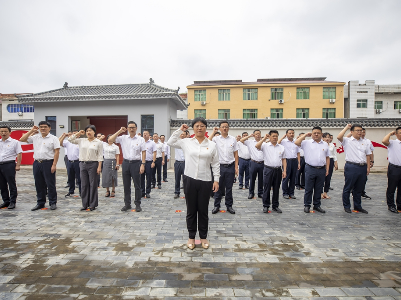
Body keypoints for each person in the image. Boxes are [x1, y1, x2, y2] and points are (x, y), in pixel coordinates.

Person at [167, 118, 219, 250]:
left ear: (206, 128)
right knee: (191, 210)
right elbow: (170, 142)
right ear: (193, 128)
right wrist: (180, 129)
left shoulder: (212, 145)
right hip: (189, 179)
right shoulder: (186, 142)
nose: (199, 128)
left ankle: (203, 237)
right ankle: (191, 237)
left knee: (203, 210)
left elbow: (215, 163)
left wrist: (216, 180)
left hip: (206, 180)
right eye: (197, 126)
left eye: (202, 126)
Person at [20, 122, 60, 211]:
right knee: (39, 184)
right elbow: (22, 139)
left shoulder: (54, 138)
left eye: (45, 127)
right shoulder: (35, 137)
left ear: (49, 128)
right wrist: (31, 131)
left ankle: (53, 202)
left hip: (48, 163)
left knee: (50, 184)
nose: (43, 129)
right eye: (41, 127)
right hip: (37, 163)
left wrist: (54, 165)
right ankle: (40, 203)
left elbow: (57, 152)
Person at [108, 122, 145, 212]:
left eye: (133, 127)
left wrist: (143, 164)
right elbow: (110, 140)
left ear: (136, 128)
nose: (131, 129)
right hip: (126, 163)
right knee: (126, 185)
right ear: (127, 128)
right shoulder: (123, 138)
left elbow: (143, 152)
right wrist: (120, 131)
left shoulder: (140, 139)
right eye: (130, 127)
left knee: (137, 185)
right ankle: (127, 204)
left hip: (136, 163)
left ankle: (137, 204)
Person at [337, 124, 371, 214]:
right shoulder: (347, 141)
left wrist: (368, 167)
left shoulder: (365, 142)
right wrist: (346, 127)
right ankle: (347, 206)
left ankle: (358, 206)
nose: (360, 132)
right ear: (352, 132)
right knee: (348, 187)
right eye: (357, 130)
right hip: (351, 166)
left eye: (361, 130)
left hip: (362, 167)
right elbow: (339, 136)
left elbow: (368, 155)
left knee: (359, 188)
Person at [295, 127, 330, 214]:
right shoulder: (307, 142)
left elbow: (327, 157)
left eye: (318, 133)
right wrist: (305, 135)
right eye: (314, 133)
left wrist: (327, 169)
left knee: (319, 188)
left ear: (321, 134)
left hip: (321, 169)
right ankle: (307, 205)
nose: (316, 134)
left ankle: (317, 205)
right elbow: (296, 142)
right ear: (312, 133)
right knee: (309, 188)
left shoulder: (325, 144)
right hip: (310, 168)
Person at [68, 125, 103, 211]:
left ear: (94, 132)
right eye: (87, 131)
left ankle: (92, 204)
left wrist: (99, 167)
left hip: (93, 164)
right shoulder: (81, 141)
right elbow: (70, 139)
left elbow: (100, 155)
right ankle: (84, 204)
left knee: (93, 184)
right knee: (84, 184)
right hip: (82, 164)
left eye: (90, 130)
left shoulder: (98, 142)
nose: (88, 132)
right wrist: (79, 133)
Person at [209, 121, 239, 215]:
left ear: (228, 128)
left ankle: (229, 206)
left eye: (226, 127)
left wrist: (236, 167)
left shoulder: (233, 139)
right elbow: (207, 142)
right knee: (217, 187)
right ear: (220, 128)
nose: (225, 128)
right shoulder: (216, 139)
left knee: (229, 188)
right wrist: (213, 132)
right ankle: (216, 206)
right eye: (223, 127)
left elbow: (236, 154)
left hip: (230, 166)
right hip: (219, 167)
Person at [255, 131, 286, 213]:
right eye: (273, 136)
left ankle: (275, 206)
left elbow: (283, 159)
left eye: (276, 136)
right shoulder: (265, 145)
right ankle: (266, 205)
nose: (275, 137)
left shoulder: (281, 147)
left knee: (276, 188)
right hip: (268, 169)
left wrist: (284, 170)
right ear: (270, 137)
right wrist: (264, 138)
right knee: (267, 188)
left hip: (278, 170)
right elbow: (257, 146)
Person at [0, 125, 22, 210]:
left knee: (11, 183)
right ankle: (6, 201)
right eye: (1, 131)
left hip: (9, 164)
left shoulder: (15, 142)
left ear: (9, 132)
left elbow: (19, 153)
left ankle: (13, 202)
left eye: (5, 131)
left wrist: (18, 165)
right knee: (2, 185)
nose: (3, 133)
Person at [240, 130, 264, 199]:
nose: (258, 135)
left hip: (262, 163)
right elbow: (241, 140)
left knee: (261, 179)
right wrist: (249, 136)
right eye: (256, 134)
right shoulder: (250, 142)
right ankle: (251, 193)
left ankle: (260, 193)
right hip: (253, 162)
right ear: (254, 135)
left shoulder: (263, 142)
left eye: (259, 134)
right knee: (252, 179)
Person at [382, 127, 401, 213]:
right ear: (396, 134)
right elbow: (384, 141)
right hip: (394, 168)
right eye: (400, 133)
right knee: (392, 188)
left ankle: (400, 205)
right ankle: (391, 205)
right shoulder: (392, 143)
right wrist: (390, 134)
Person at [278, 129, 300, 199]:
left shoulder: (296, 142)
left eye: (292, 133)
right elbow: (277, 143)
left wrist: (299, 163)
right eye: (290, 133)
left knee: (293, 178)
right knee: (286, 177)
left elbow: (298, 153)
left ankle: (291, 193)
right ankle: (285, 193)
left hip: (294, 160)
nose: (291, 134)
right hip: (287, 161)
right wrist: (282, 137)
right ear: (286, 134)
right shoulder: (283, 142)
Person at [59, 131, 81, 198]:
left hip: (78, 162)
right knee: (70, 177)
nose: (74, 134)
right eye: (73, 133)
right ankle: (71, 191)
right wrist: (63, 136)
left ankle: (81, 191)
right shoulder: (68, 142)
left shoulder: (80, 142)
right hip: (70, 162)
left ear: (78, 135)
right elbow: (59, 143)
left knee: (80, 178)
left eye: (76, 133)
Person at [322, 132, 338, 199]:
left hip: (330, 161)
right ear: (322, 138)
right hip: (323, 162)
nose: (327, 138)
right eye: (326, 137)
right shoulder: (321, 145)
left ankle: (325, 192)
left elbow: (334, 154)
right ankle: (320, 192)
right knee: (321, 178)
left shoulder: (332, 145)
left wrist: (335, 162)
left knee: (328, 177)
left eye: (328, 137)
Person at [141, 131, 156, 198]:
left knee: (149, 177)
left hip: (149, 162)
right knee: (141, 178)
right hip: (141, 162)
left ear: (149, 135)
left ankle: (147, 192)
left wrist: (153, 162)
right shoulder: (140, 142)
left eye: (146, 134)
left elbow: (154, 153)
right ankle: (142, 191)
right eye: (144, 134)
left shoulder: (152, 143)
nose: (145, 135)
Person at [361, 128, 374, 199]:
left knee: (364, 178)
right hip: (358, 162)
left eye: (363, 132)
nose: (362, 133)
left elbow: (371, 152)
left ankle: (362, 191)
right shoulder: (354, 141)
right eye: (361, 132)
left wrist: (372, 161)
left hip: (366, 162)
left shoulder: (368, 141)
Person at [173, 131, 186, 199]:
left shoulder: (187, 143)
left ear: (186, 135)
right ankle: (177, 192)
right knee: (177, 178)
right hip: (177, 163)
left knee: (185, 179)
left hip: (185, 163)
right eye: (181, 134)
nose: (182, 135)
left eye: (184, 134)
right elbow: (171, 140)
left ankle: (186, 193)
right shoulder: (176, 143)